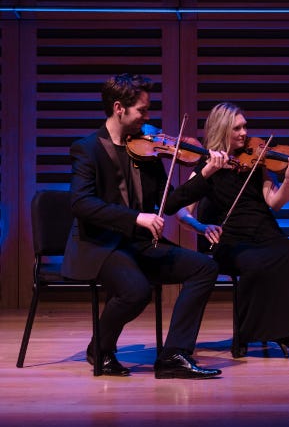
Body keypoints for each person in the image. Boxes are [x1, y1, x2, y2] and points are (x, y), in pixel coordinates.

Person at [62, 73, 222, 379]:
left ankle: (175, 354)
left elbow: (169, 202)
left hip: (137, 243)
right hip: (100, 245)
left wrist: (206, 174)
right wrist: (136, 217)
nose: (147, 118)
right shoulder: (87, 149)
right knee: (136, 291)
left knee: (205, 267)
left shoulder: (146, 148)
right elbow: (80, 203)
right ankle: (101, 348)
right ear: (119, 108)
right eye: (142, 111)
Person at [164, 102, 289, 356]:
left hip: (265, 231)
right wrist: (200, 227)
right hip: (230, 239)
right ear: (222, 130)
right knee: (256, 263)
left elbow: (274, 203)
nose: (245, 132)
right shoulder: (207, 166)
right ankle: (249, 332)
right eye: (237, 128)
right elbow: (180, 211)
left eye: (245, 126)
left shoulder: (257, 160)